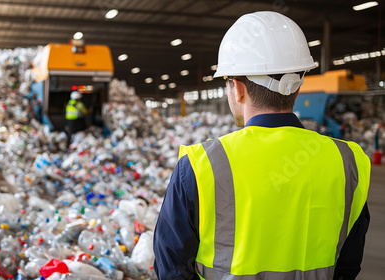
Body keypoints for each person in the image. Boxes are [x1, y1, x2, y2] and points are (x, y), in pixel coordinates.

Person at [153, 11, 370, 280]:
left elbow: (171, 269)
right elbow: (348, 265)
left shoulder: (200, 166)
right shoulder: (349, 162)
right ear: (297, 87)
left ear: (238, 88)